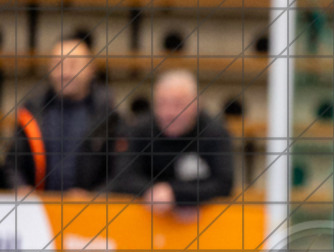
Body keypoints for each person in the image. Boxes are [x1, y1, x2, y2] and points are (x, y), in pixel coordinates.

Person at [3, 37, 120, 194]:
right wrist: (20, 187)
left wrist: (94, 196)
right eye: (58, 65)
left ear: (91, 70)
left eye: (73, 65)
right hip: (40, 212)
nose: (64, 73)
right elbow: (12, 164)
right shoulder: (31, 111)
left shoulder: (108, 114)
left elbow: (121, 171)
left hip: (92, 214)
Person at [108, 70, 234, 212]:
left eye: (178, 104)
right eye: (161, 104)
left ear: (197, 104)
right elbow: (122, 177)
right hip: (144, 220)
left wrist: (176, 194)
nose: (169, 113)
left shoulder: (215, 132)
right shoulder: (139, 129)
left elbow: (223, 184)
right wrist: (154, 192)